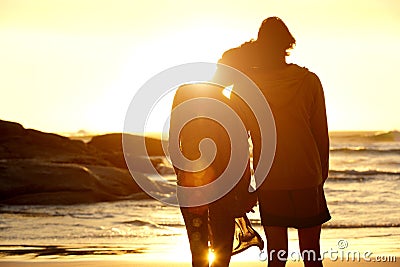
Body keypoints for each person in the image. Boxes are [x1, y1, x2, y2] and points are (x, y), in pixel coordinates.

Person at [217, 17, 331, 267]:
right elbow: (320, 135)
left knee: (276, 256)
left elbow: (237, 141)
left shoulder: (248, 88)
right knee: (311, 253)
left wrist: (243, 187)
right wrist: (320, 176)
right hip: (306, 176)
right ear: (287, 45)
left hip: (271, 178)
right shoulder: (308, 81)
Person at [169, 82, 263, 267]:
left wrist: (183, 177)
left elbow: (174, 147)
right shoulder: (229, 104)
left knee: (198, 253)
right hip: (224, 188)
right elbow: (241, 151)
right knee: (222, 251)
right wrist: (245, 190)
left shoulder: (184, 95)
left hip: (190, 187)